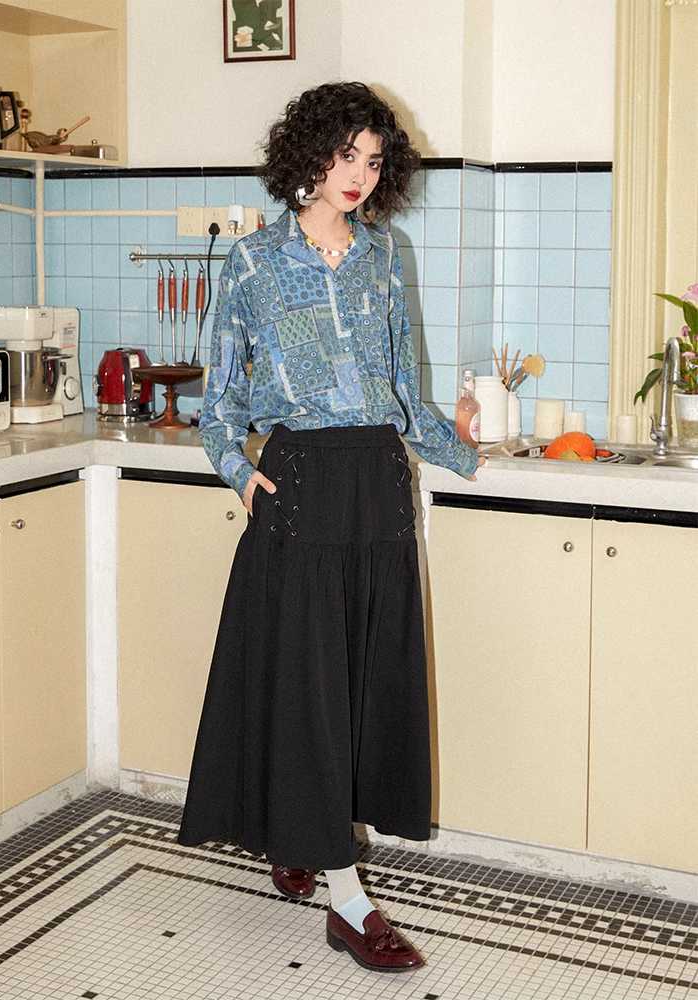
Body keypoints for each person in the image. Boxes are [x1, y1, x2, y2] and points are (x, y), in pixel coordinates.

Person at [177, 81, 486, 974]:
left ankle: (300, 834)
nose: (358, 175)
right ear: (307, 153)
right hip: (302, 487)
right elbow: (217, 404)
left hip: (379, 488)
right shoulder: (252, 262)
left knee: (358, 686)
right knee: (308, 689)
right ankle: (349, 904)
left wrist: (460, 448)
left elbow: (402, 388)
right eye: (345, 154)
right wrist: (240, 472)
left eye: (374, 161)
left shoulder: (386, 255)